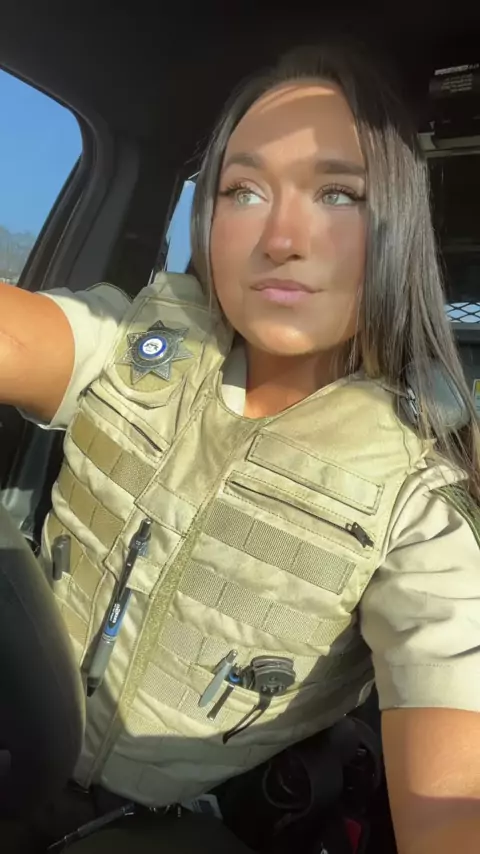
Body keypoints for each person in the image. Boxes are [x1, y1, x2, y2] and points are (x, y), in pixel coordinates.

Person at [0, 40, 480, 854]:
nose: (281, 237)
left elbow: (452, 804)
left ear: (397, 229)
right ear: (210, 220)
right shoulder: (131, 341)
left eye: (338, 193)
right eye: (244, 190)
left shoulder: (419, 503)